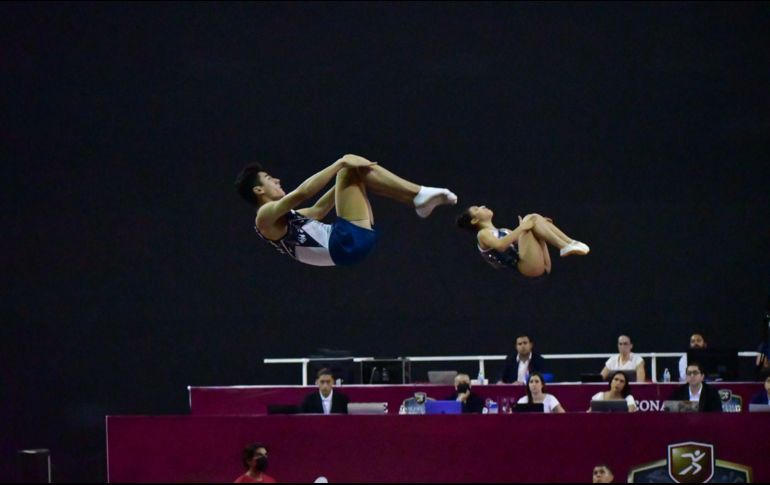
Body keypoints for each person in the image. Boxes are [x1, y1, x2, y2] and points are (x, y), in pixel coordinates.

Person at [235, 154, 457, 266]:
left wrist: (343, 183)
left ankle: (418, 199)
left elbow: (319, 209)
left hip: (349, 245)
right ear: (258, 190)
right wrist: (339, 165)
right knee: (347, 168)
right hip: (343, 243)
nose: (276, 179)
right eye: (269, 179)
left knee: (355, 171)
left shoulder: (284, 219)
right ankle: (419, 195)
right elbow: (302, 193)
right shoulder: (264, 217)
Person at [456, 206, 589, 278]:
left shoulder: (504, 231)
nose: (483, 206)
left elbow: (521, 243)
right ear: (474, 221)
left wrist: (540, 229)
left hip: (534, 262)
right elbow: (501, 246)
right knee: (530, 219)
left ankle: (569, 243)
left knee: (535, 218)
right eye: (477, 209)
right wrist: (523, 227)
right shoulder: (482, 234)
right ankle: (564, 245)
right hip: (525, 267)